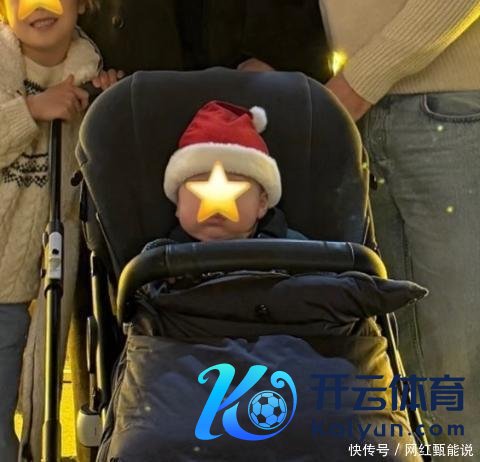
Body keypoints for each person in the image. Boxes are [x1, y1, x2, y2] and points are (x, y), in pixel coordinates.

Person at [321, 0, 480, 456]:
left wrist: (357, 83)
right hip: (360, 108)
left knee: (457, 362)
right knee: (392, 360)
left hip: (444, 107)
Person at [0, 1, 122, 460]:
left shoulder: (89, 70)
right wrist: (32, 108)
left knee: (32, 405)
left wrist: (106, 105)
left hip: (39, 279)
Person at [149, 100, 305, 248]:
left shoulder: (296, 250)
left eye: (233, 182)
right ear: (178, 203)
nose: (215, 197)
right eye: (200, 182)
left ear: (261, 204)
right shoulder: (159, 257)